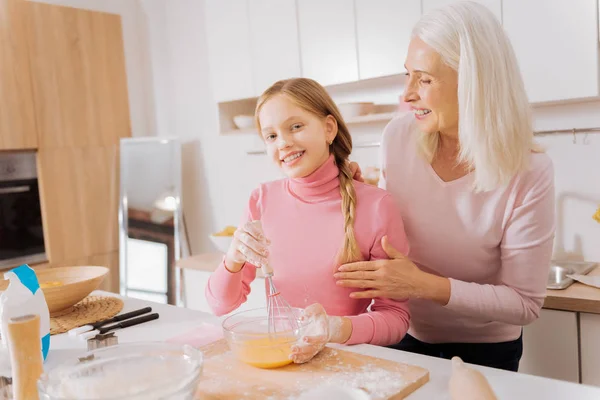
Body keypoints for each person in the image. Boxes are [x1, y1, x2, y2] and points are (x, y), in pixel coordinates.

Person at [335, 1, 555, 372]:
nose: (406, 94)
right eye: (408, 75)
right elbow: (393, 236)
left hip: (488, 350)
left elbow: (524, 304)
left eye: (424, 79)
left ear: (473, 82)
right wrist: (365, 199)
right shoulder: (398, 136)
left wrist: (423, 285)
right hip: (403, 331)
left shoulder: (529, 170)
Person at [205, 77, 411, 364]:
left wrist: (336, 328)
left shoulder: (377, 206)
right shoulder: (261, 200)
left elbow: (396, 319)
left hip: (350, 365)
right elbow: (220, 305)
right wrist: (233, 258)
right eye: (271, 136)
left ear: (328, 128)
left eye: (296, 126)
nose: (284, 143)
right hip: (284, 362)